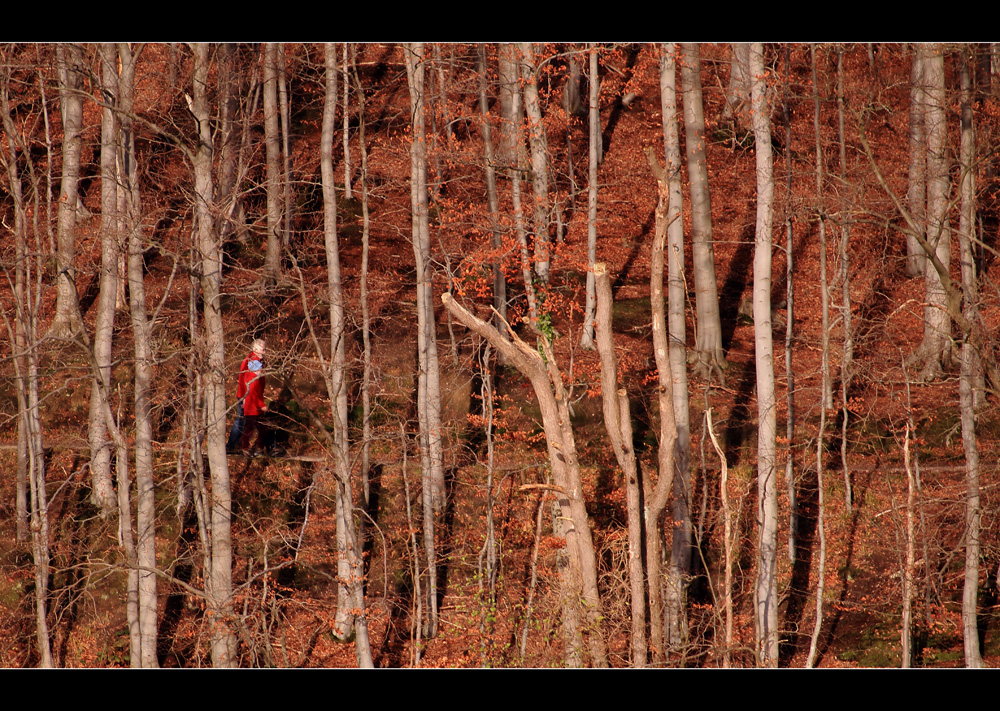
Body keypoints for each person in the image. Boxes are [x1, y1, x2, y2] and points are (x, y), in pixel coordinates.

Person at [227, 338, 268, 456]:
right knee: (244, 423)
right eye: (262, 349)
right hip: (249, 398)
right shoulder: (252, 362)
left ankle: (257, 447)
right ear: (255, 349)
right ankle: (235, 446)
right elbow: (252, 384)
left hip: (249, 397)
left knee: (252, 424)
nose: (264, 351)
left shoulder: (253, 360)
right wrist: (259, 404)